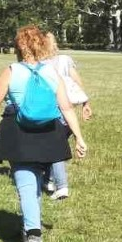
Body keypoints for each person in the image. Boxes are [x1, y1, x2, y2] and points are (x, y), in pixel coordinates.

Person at [0, 25, 88, 242]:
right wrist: (79, 137)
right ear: (42, 45)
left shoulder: (11, 71)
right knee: (34, 182)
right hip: (49, 132)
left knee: (25, 182)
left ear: (18, 47)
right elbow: (65, 107)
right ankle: (29, 227)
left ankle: (33, 238)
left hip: (18, 130)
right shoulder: (52, 72)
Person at [42, 32, 93, 200]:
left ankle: (61, 186)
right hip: (69, 110)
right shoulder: (65, 59)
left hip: (52, 111)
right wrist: (86, 103)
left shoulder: (39, 64)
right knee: (54, 144)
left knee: (54, 148)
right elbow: (77, 82)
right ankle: (48, 179)